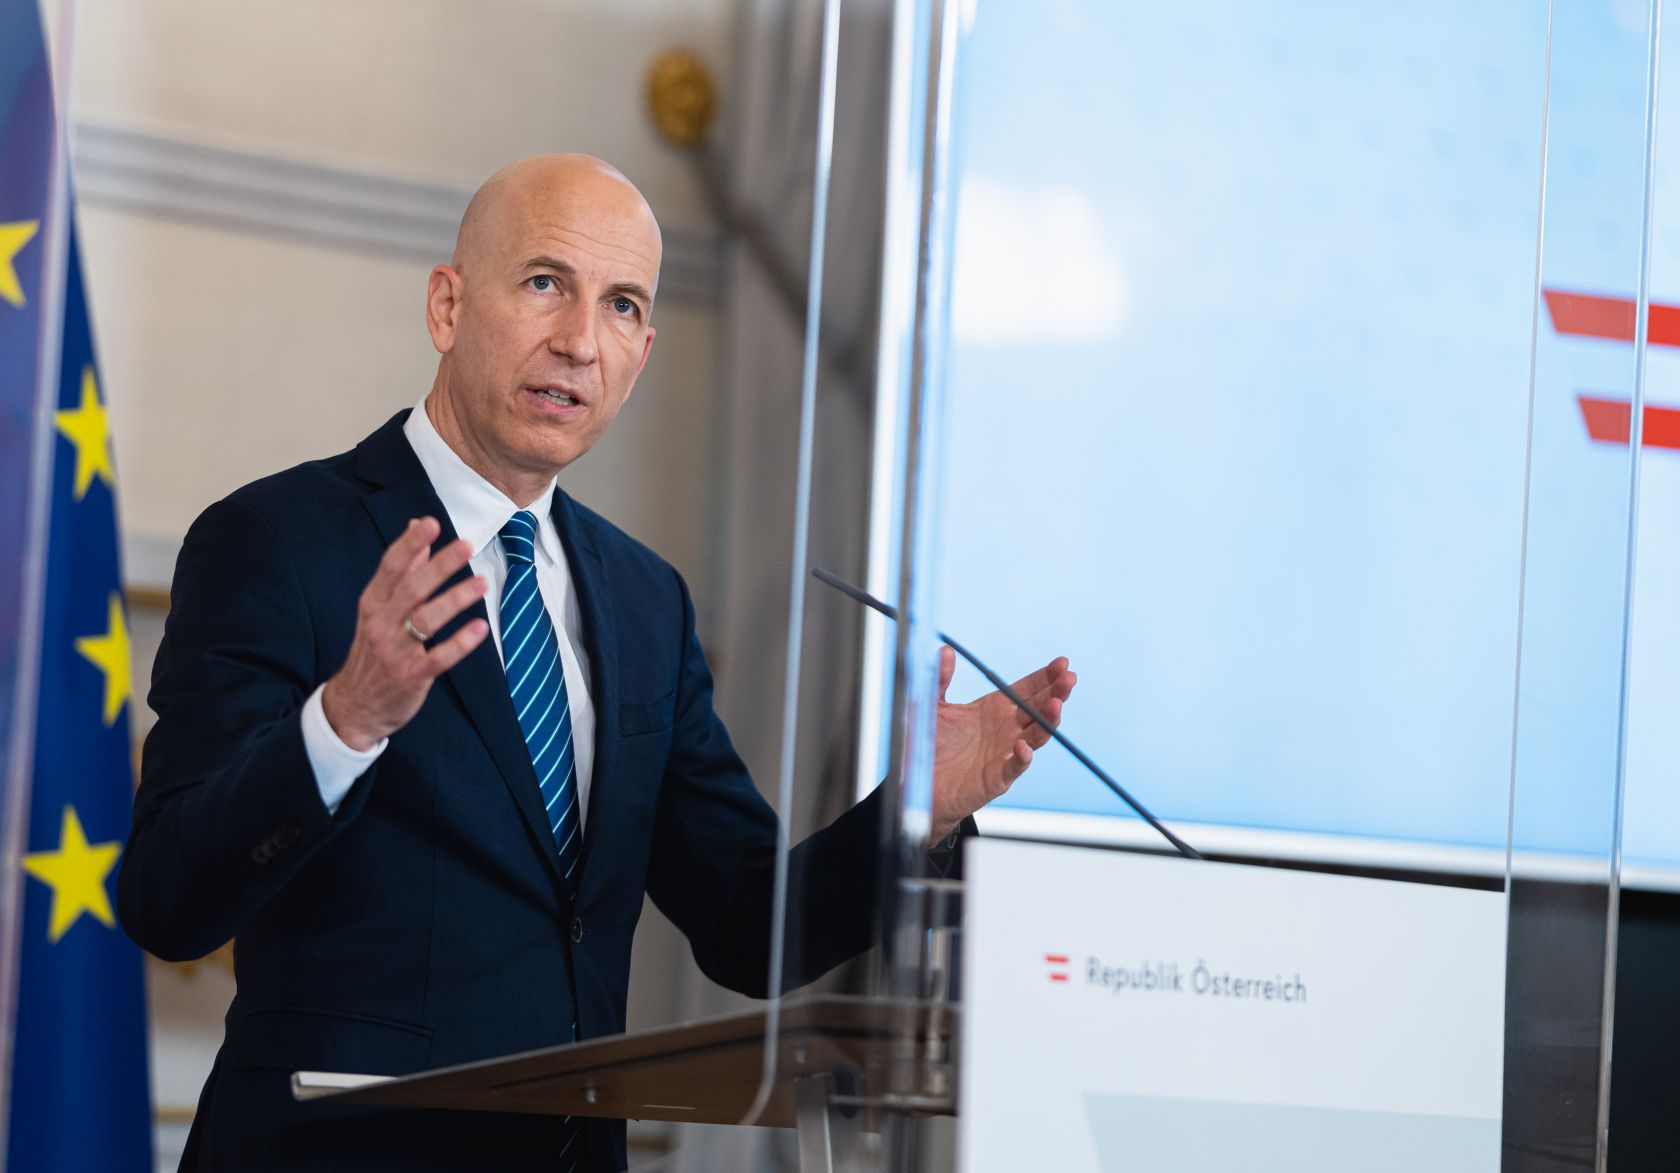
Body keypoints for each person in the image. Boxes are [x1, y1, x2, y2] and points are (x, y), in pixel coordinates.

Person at [118, 154, 1075, 1172]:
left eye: (620, 307)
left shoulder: (642, 599)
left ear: (642, 349)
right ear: (446, 306)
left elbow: (749, 928)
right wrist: (345, 720)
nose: (578, 341)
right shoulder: (278, 541)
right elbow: (167, 902)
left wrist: (910, 814)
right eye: (544, 284)